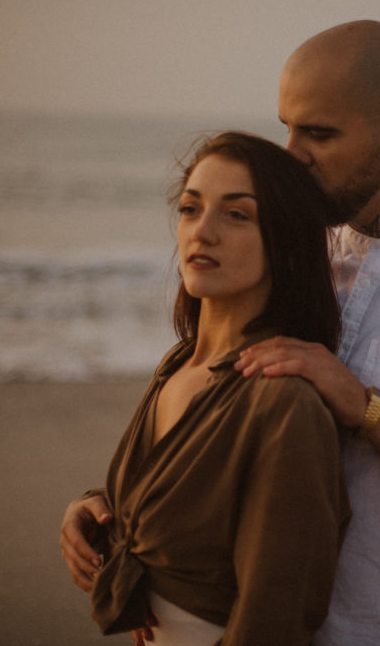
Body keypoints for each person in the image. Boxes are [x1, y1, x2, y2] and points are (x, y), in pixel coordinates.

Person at [63, 20, 380, 645]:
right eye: (286, 126)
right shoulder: (286, 255)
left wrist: (366, 409)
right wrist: (116, 512)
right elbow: (231, 433)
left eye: (318, 133)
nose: (291, 154)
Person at [62, 131, 350, 645]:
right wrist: (100, 513)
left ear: (286, 245)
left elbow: (275, 614)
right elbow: (181, 506)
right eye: (191, 208)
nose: (203, 231)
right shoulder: (177, 367)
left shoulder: (283, 402)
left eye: (237, 214)